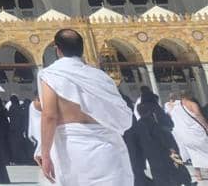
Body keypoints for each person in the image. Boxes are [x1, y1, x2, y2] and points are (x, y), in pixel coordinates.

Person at [38, 27, 134, 186]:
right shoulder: (100, 77)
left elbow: (49, 116)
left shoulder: (52, 74)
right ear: (82, 48)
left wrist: (45, 154)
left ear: (57, 49)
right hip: (108, 148)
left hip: (74, 151)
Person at [134, 98, 193, 186]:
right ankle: (186, 181)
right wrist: (171, 149)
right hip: (165, 151)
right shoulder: (155, 121)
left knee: (158, 173)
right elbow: (165, 134)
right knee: (176, 165)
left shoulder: (138, 125)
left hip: (151, 155)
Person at [170, 90, 208, 179]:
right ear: (189, 95)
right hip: (196, 133)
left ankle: (198, 175)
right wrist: (206, 126)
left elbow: (172, 117)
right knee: (206, 150)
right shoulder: (192, 104)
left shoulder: (175, 106)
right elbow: (198, 115)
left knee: (194, 154)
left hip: (185, 135)